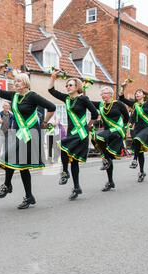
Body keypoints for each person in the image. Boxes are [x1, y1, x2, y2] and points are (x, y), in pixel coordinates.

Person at [0, 67, 56, 209]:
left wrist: (44, 122)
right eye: (15, 81)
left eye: (19, 81)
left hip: (30, 133)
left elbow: (51, 107)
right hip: (19, 132)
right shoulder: (14, 96)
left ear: (26, 83)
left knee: (21, 164)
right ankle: (21, 192)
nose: (16, 83)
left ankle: (13, 188)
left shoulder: (32, 96)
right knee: (13, 160)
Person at [48, 72, 98, 200]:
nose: (68, 87)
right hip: (71, 133)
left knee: (64, 148)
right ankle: (76, 187)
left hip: (81, 134)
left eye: (70, 85)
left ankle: (65, 173)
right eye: (67, 85)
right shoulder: (66, 99)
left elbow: (94, 113)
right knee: (71, 158)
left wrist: (88, 126)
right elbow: (51, 91)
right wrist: (53, 78)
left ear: (77, 87)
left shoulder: (83, 99)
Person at [119, 80, 148, 182]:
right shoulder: (134, 105)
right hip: (137, 129)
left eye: (139, 92)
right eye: (136, 93)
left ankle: (134, 160)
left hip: (147, 128)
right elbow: (121, 98)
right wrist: (123, 87)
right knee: (140, 151)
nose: (137, 94)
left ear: (143, 95)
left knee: (138, 140)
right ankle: (142, 171)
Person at [92, 87, 130, 192]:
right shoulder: (100, 105)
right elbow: (87, 102)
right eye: (102, 93)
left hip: (117, 131)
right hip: (108, 133)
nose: (103, 95)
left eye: (105, 93)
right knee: (104, 154)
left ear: (111, 94)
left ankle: (106, 158)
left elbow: (126, 117)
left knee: (98, 136)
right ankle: (110, 181)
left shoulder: (118, 104)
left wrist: (123, 128)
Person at [0, 101, 14, 170]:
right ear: (3, 107)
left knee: (6, 150)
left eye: (7, 106)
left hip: (8, 135)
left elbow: (14, 123)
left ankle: (5, 163)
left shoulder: (11, 115)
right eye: (5, 106)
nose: (6, 107)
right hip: (0, 134)